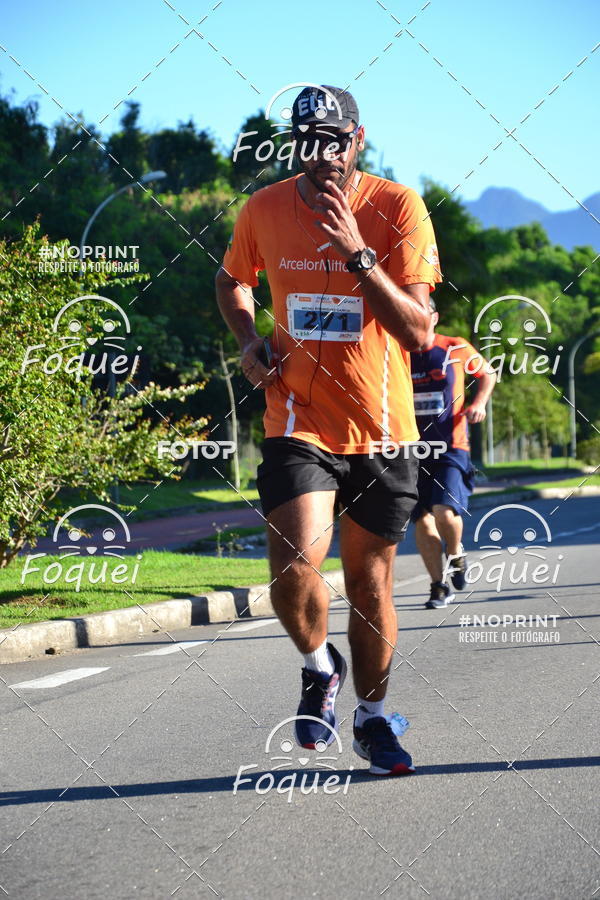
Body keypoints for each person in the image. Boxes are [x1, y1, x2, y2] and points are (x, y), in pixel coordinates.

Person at [216, 85, 441, 775]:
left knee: (370, 587)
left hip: (380, 428)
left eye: (333, 139)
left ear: (358, 139)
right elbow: (232, 282)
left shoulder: (398, 207)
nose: (321, 154)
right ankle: (319, 666)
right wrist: (250, 342)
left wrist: (358, 255)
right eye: (307, 140)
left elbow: (419, 329)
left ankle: (373, 720)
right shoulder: (263, 208)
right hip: (295, 420)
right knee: (292, 569)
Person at [410, 298, 497, 608]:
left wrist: (478, 404)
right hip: (409, 449)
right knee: (422, 520)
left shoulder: (454, 347)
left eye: (421, 313)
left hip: (451, 445)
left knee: (444, 512)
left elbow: (487, 374)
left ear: (434, 316)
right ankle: (437, 586)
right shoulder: (396, 351)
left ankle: (456, 552)